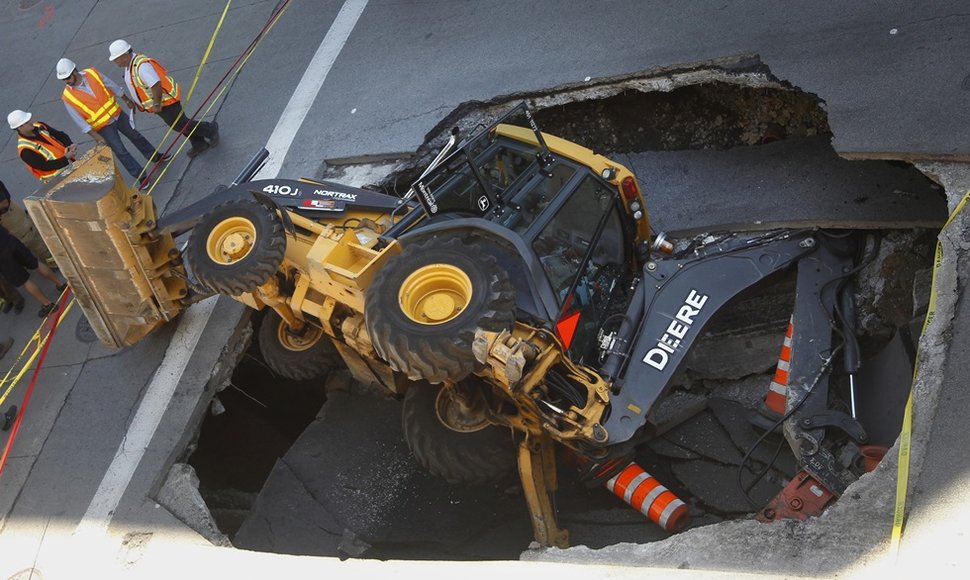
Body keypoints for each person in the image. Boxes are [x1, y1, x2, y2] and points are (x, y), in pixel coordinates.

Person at [56, 57, 170, 189]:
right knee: (121, 151)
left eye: (68, 77)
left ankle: (155, 156)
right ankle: (141, 176)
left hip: (117, 114)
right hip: (103, 128)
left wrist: (126, 99)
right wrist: (97, 137)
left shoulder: (92, 73)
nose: (67, 81)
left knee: (136, 136)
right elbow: (79, 121)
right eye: (64, 79)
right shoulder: (67, 97)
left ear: (75, 71)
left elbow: (110, 84)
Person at [108, 40, 219, 158]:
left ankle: (210, 130)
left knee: (181, 124)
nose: (115, 62)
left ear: (125, 55)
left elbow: (155, 84)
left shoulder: (141, 66)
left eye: (116, 59)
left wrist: (156, 104)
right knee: (180, 125)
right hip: (160, 105)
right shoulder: (130, 66)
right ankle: (198, 143)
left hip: (166, 103)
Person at [0, 224, 66, 318]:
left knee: (24, 281)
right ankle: (61, 284)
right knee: (36, 264)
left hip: (3, 258)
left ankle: (48, 305)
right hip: (10, 241)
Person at [7, 110, 78, 183]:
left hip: (70, 165)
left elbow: (59, 135)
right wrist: (66, 157)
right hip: (57, 180)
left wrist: (70, 144)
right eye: (27, 122)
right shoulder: (25, 150)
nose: (31, 122)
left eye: (29, 120)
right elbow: (44, 166)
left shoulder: (40, 126)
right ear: (19, 128)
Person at [0, 179, 55, 267]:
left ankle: (52, 262)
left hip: (8, 216)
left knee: (31, 239)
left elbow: (3, 203)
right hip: (7, 218)